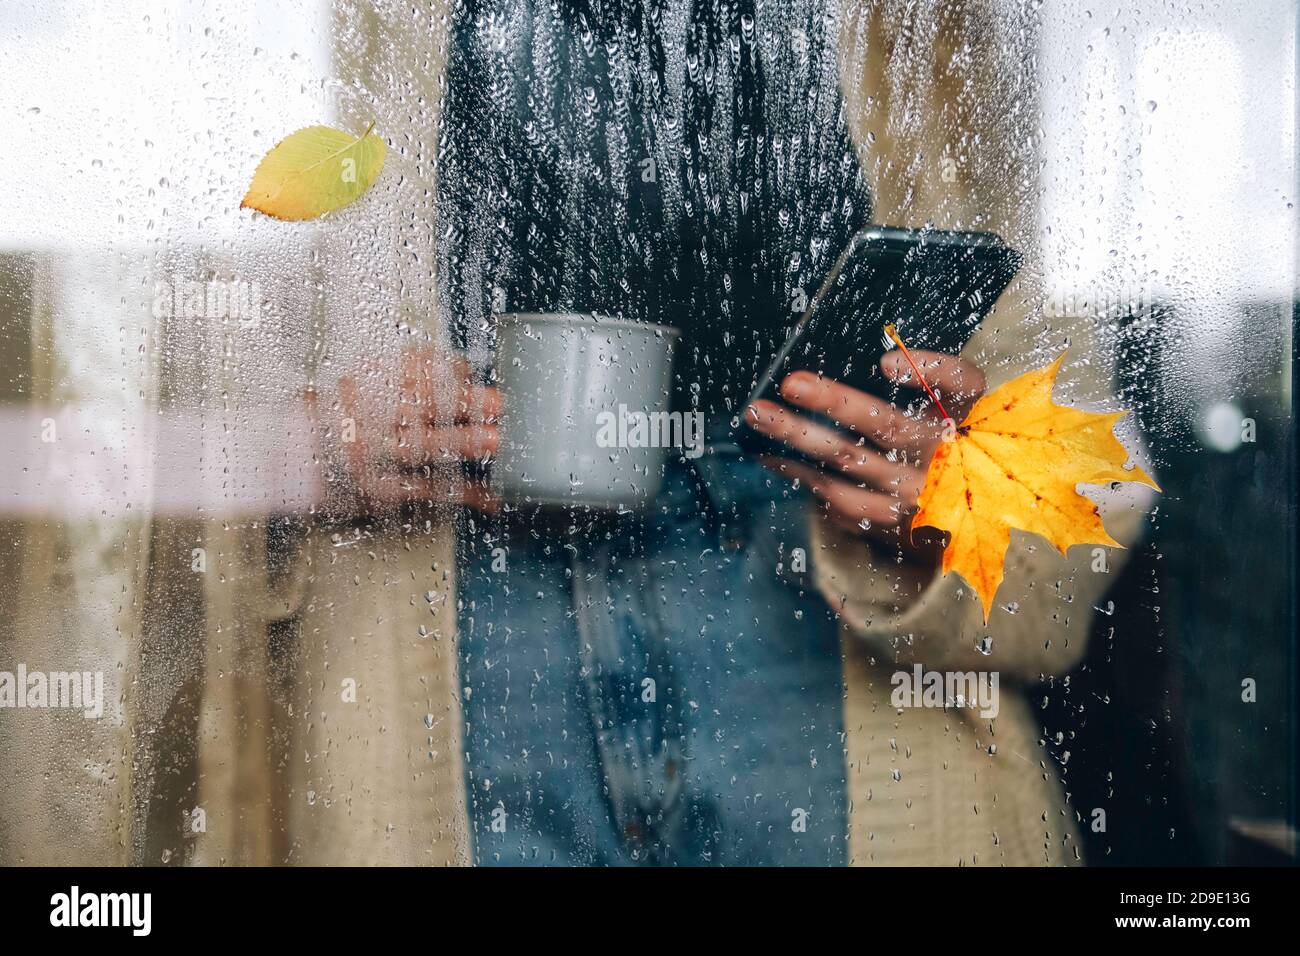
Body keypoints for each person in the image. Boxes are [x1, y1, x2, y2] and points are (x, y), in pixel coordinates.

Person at [319, 0, 1145, 865]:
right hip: (455, 628)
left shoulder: (933, 34)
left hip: (836, 649)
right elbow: (195, 431)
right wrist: (312, 439)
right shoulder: (345, 32)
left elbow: (1089, 476)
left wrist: (958, 493)